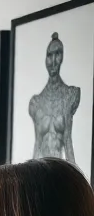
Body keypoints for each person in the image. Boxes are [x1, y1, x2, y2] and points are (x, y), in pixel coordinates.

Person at [30, 32, 81, 164]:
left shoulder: (70, 95)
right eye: (49, 55)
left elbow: (68, 142)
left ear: (62, 57)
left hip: (61, 172)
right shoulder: (36, 102)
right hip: (40, 173)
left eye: (57, 54)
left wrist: (78, 180)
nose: (53, 61)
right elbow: (37, 145)